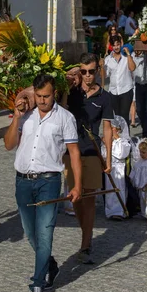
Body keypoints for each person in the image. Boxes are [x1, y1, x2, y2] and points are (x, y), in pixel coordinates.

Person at [3, 74, 82, 292]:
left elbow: (74, 153)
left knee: (45, 232)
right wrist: (16, 119)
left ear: (54, 93)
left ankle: (38, 283)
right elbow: (8, 145)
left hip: (49, 180)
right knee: (31, 233)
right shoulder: (25, 114)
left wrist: (77, 185)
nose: (42, 100)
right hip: (23, 181)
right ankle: (50, 264)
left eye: (46, 96)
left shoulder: (65, 118)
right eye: (38, 96)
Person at [63, 53, 113, 264]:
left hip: (92, 151)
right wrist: (66, 82)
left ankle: (85, 244)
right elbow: (61, 109)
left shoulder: (104, 97)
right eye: (83, 72)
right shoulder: (72, 92)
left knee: (89, 198)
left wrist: (108, 158)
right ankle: (86, 232)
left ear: (97, 70)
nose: (87, 76)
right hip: (70, 150)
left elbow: (108, 128)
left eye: (91, 72)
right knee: (75, 197)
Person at [102, 116, 131, 220]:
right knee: (109, 192)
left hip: (119, 169)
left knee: (119, 190)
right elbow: (103, 154)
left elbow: (121, 154)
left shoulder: (123, 142)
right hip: (109, 170)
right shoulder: (106, 141)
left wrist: (116, 138)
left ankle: (119, 211)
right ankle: (110, 211)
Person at [104, 37, 136, 125]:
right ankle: (119, 137)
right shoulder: (108, 59)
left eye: (117, 45)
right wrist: (101, 66)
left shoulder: (127, 56)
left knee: (124, 115)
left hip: (126, 89)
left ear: (121, 44)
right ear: (111, 46)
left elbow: (132, 68)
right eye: (114, 45)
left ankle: (126, 137)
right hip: (113, 91)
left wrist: (128, 55)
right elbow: (104, 75)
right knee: (117, 116)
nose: (116, 47)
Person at [133, 50, 147, 139]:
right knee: (139, 109)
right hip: (139, 84)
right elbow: (133, 67)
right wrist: (139, 56)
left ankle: (145, 133)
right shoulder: (134, 54)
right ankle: (145, 125)